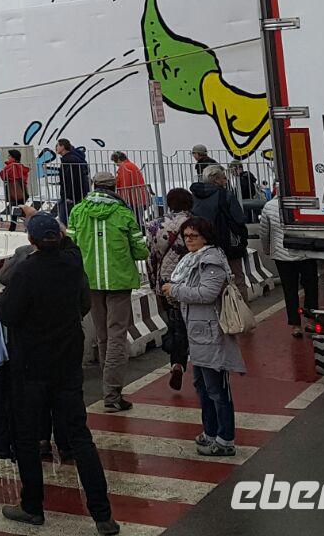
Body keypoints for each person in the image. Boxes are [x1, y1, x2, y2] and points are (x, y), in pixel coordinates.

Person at [0, 213, 118, 535]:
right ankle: (103, 515)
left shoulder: (26, 271)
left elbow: (8, 314)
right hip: (66, 362)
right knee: (80, 437)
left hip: (31, 365)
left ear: (31, 240)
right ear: (59, 236)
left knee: (27, 437)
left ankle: (32, 507)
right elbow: (82, 304)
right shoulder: (72, 265)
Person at [160, 216, 244, 457]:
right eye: (186, 236)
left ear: (206, 237)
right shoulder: (191, 260)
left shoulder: (211, 261)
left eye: (193, 236)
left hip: (211, 330)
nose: (188, 241)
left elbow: (207, 293)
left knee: (217, 388)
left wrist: (175, 290)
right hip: (197, 330)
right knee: (202, 386)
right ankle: (210, 431)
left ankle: (225, 438)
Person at [69, 169, 150, 411]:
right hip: (119, 282)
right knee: (116, 336)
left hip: (90, 282)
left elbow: (71, 246)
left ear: (94, 186)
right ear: (115, 187)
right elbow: (141, 250)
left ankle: (110, 393)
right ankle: (112, 394)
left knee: (103, 336)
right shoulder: (124, 213)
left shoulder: (78, 212)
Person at [148, 187, 196, 390]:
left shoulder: (156, 225)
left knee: (176, 325)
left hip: (167, 281)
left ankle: (177, 363)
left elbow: (152, 257)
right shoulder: (196, 223)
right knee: (196, 324)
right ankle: (201, 367)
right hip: (194, 280)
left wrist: (154, 284)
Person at [259, 199, 317, 338]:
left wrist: (267, 250)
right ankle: (311, 320)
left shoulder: (269, 206)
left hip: (282, 255)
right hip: (306, 252)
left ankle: (295, 325)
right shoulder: (306, 202)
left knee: (290, 290)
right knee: (311, 287)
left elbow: (264, 232)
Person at [190, 166, 249, 295]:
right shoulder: (225, 195)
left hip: (204, 246)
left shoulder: (194, 197)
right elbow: (238, 219)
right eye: (223, 178)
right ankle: (240, 312)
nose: (226, 180)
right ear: (216, 180)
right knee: (237, 279)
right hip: (228, 246)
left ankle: (219, 312)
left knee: (211, 281)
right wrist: (242, 240)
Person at [54, 139, 90, 222]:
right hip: (76, 195)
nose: (56, 148)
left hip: (71, 196)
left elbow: (71, 180)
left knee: (65, 220)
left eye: (57, 145)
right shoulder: (74, 158)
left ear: (62, 146)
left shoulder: (69, 161)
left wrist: (69, 196)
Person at [0, 150, 31, 230]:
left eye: (9, 156)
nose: (8, 158)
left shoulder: (10, 166)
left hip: (14, 190)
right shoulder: (21, 166)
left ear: (13, 157)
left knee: (14, 208)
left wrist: (0, 173)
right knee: (20, 208)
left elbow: (5, 176)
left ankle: (13, 227)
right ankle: (27, 226)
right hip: (23, 189)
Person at [111, 150, 149, 216]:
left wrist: (123, 201)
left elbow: (125, 185)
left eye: (115, 162)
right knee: (138, 221)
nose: (116, 165)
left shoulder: (125, 167)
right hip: (139, 199)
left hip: (133, 201)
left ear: (119, 160)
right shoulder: (131, 165)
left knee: (133, 222)